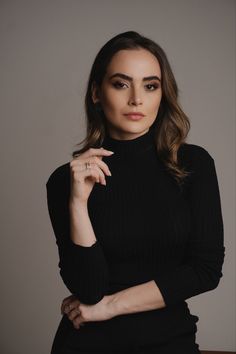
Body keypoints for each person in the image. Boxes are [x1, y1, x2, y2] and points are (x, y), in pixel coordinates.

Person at [46, 31, 225, 353]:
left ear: (163, 94)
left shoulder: (193, 164)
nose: (137, 99)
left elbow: (205, 271)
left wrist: (109, 307)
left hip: (169, 342)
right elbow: (88, 289)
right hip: (85, 344)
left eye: (150, 85)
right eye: (121, 83)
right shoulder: (66, 180)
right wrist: (77, 202)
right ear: (97, 92)